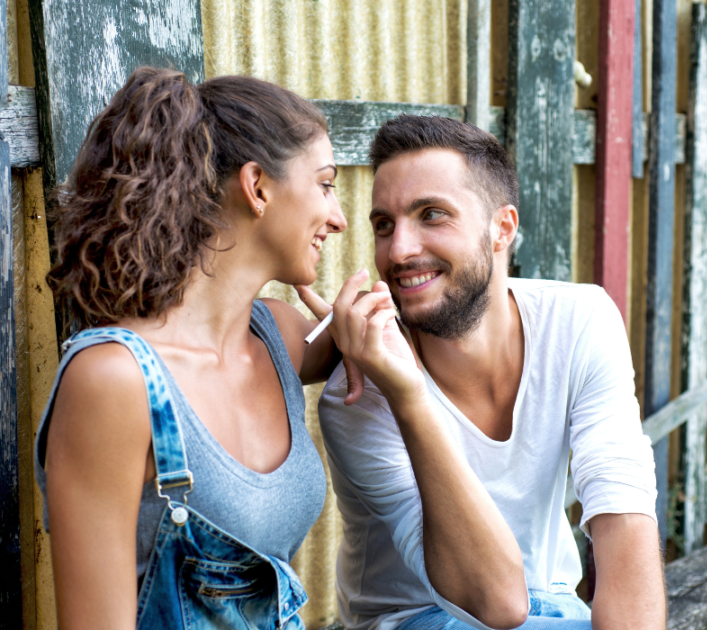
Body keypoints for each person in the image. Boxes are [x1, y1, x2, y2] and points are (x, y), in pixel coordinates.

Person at [33, 66, 394, 629]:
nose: (340, 217)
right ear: (257, 188)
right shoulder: (113, 379)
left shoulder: (281, 338)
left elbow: (397, 337)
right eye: (325, 184)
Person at [310, 115, 666, 630]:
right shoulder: (361, 393)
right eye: (384, 224)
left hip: (556, 605)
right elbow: (495, 602)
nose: (400, 249)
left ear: (502, 229)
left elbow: (623, 506)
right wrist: (410, 397)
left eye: (431, 215)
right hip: (417, 618)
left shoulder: (580, 321)